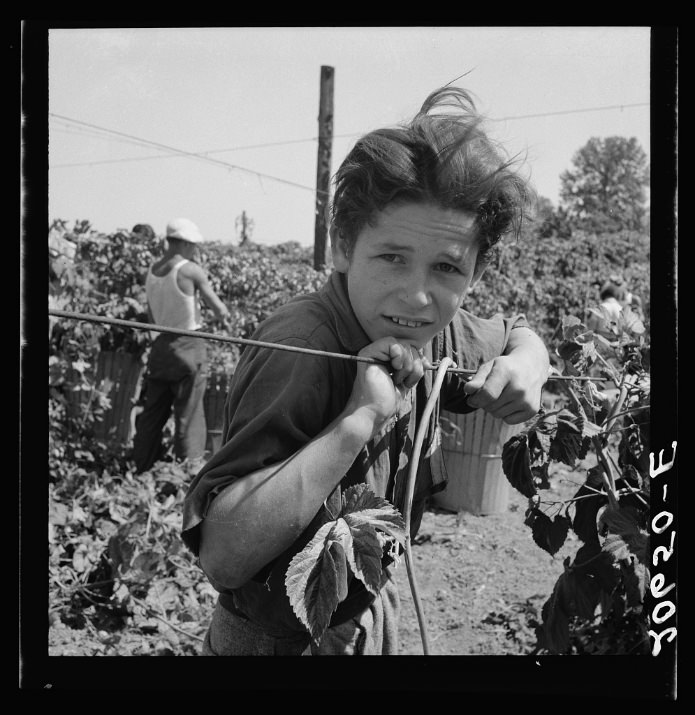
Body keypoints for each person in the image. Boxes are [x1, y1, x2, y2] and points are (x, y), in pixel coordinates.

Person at [182, 86, 550, 655]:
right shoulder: (301, 350)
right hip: (278, 640)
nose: (419, 295)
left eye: (448, 267)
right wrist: (357, 420)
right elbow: (224, 556)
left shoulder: (430, 328)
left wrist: (530, 360)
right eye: (392, 257)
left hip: (369, 604)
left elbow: (513, 331)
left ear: (474, 273)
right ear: (343, 247)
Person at [132, 218, 230, 474]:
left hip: (161, 347)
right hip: (188, 345)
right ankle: (188, 472)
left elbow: (153, 318)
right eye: (193, 245)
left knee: (153, 412)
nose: (195, 250)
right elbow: (219, 309)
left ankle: (142, 466)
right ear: (185, 244)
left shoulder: (153, 270)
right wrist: (224, 318)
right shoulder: (191, 270)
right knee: (189, 412)